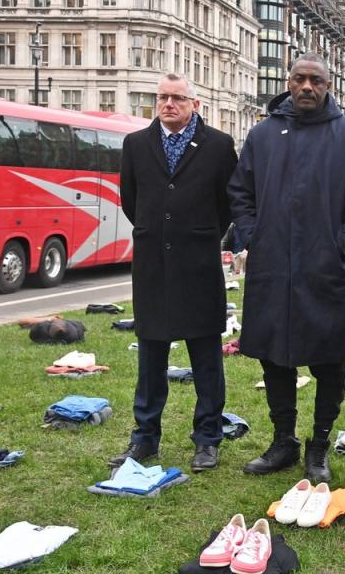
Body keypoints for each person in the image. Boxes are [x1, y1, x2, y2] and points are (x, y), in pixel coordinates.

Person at [228, 53, 345, 483]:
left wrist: (344, 243)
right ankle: (283, 441)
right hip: (272, 266)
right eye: (300, 79)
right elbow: (240, 191)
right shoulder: (263, 135)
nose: (307, 87)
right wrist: (252, 234)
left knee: (330, 362)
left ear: (327, 86)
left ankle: (318, 445)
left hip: (324, 267)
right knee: (274, 359)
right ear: (289, 82)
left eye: (316, 80)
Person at [113, 73, 237, 472]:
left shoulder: (218, 146)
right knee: (151, 358)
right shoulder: (136, 144)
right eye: (163, 97)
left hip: (198, 264)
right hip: (152, 265)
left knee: (205, 358)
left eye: (178, 98)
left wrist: (201, 234)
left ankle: (207, 439)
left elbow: (228, 204)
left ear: (194, 104)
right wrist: (156, 229)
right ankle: (145, 438)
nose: (168, 104)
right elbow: (130, 198)